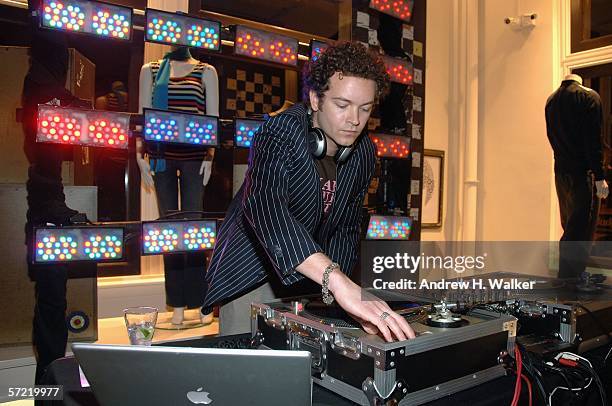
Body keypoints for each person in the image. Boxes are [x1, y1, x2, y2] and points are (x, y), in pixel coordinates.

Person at [203, 41, 415, 341]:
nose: (354, 120)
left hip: (312, 272)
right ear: (316, 99)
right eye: (342, 105)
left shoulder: (364, 152)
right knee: (245, 370)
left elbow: (346, 228)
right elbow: (266, 208)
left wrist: (338, 296)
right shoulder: (279, 132)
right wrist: (338, 282)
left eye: (364, 109)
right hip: (253, 268)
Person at [138, 46, 218, 325]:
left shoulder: (206, 71)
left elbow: (212, 119)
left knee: (194, 229)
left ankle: (199, 301)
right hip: (161, 157)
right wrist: (139, 155)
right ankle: (177, 304)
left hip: (195, 157)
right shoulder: (150, 69)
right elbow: (142, 116)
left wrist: (210, 155)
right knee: (168, 231)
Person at [545, 73, 609, 278]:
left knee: (570, 225)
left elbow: (552, 138)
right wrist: (599, 176)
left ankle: (570, 278)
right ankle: (571, 280)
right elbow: (593, 141)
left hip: (561, 172)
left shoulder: (551, 100)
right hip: (582, 173)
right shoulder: (589, 97)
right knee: (581, 228)